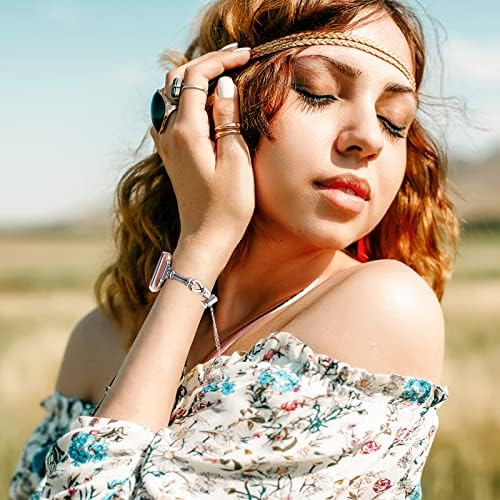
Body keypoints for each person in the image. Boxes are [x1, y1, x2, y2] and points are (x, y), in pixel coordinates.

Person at [10, 0, 458, 498]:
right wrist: (200, 255)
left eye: (394, 120)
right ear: (214, 105)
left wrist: (202, 245)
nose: (369, 137)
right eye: (319, 92)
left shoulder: (384, 307)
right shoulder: (102, 335)